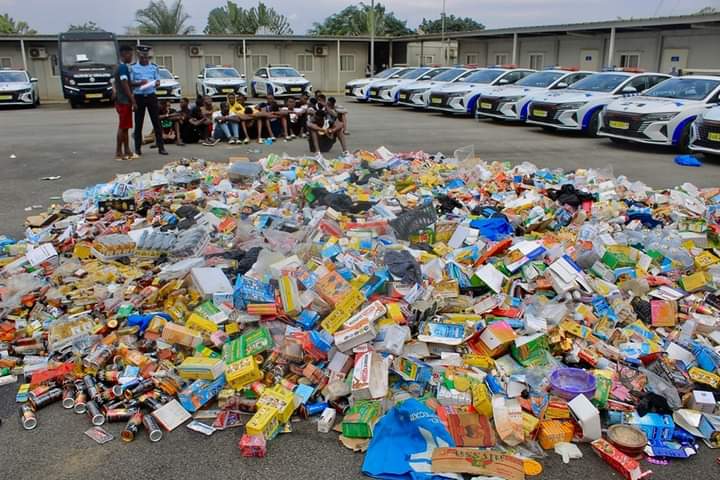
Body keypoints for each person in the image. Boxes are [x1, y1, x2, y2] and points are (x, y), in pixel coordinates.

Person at [130, 45, 167, 156]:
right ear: (139, 56)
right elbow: (130, 82)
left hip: (151, 96)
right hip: (139, 97)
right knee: (138, 123)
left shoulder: (154, 67)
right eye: (142, 57)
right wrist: (140, 83)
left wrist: (156, 83)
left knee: (156, 122)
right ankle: (137, 148)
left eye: (146, 57)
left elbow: (158, 82)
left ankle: (161, 147)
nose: (145, 59)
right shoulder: (133, 68)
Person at [113, 45, 137, 161]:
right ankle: (118, 151)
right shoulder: (122, 67)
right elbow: (124, 83)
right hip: (124, 101)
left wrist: (138, 84)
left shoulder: (123, 67)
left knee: (126, 127)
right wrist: (132, 100)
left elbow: (128, 83)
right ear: (123, 54)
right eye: (130, 54)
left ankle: (127, 149)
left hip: (123, 100)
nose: (131, 57)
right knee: (122, 127)